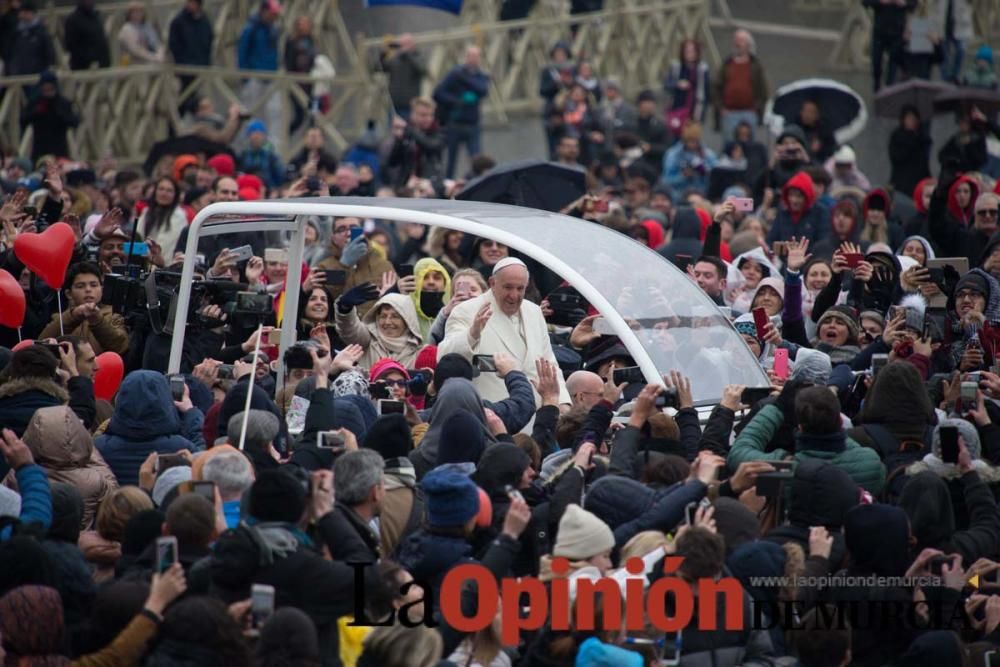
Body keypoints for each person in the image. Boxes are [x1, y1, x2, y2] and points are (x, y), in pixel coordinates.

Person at [437, 257, 570, 407]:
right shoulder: (466, 311)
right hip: (492, 413)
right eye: (508, 287)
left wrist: (562, 401)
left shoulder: (534, 311)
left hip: (536, 412)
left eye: (520, 288)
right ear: (492, 283)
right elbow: (445, 358)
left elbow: (549, 362)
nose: (514, 295)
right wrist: (472, 334)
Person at [95, 371, 204, 486]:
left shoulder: (100, 448)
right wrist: (190, 411)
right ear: (165, 400)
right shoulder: (179, 447)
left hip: (117, 502)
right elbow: (202, 457)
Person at [39, 262, 129, 356]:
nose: (88, 290)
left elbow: (121, 347)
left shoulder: (114, 316)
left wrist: (97, 320)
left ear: (102, 289)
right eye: (80, 286)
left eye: (94, 285)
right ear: (69, 294)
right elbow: (41, 343)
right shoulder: (61, 318)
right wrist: (73, 316)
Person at [433, 45, 490, 178]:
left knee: (476, 158)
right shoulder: (455, 73)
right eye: (471, 56)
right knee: (451, 160)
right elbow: (438, 93)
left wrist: (465, 79)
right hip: (455, 123)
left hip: (472, 123)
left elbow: (483, 90)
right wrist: (457, 101)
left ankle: (478, 182)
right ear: (466, 57)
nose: (474, 59)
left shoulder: (480, 75)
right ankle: (447, 185)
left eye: (476, 56)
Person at [334, 288, 426, 369]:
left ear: (407, 320)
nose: (388, 322)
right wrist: (345, 309)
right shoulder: (368, 339)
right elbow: (349, 330)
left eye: (395, 316)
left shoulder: (417, 351)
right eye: (383, 316)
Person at [711, 28, 769, 141]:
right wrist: (721, 108)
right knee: (729, 145)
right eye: (736, 40)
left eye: (741, 41)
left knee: (749, 145)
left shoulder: (756, 66)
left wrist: (757, 109)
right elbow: (716, 88)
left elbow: (763, 91)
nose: (737, 44)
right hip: (729, 113)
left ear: (748, 45)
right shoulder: (726, 65)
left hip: (749, 113)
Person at [21, 71, 80, 162]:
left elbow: (74, 122)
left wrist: (60, 114)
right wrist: (36, 112)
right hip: (40, 147)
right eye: (45, 90)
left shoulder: (63, 103)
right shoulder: (36, 102)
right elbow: (23, 120)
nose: (48, 92)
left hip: (59, 148)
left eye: (50, 89)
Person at [386, 97, 444, 188]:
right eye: (423, 115)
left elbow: (431, 145)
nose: (428, 119)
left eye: (431, 115)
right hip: (406, 184)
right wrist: (399, 140)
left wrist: (407, 129)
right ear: (413, 114)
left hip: (430, 183)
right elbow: (392, 162)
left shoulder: (437, 132)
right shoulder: (406, 133)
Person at [168, 0, 213, 114]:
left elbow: (209, 42)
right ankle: (175, 128)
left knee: (199, 100)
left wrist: (206, 63)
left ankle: (201, 124)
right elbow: (174, 45)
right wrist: (182, 63)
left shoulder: (205, 21)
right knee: (183, 100)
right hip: (184, 70)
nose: (191, 5)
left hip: (201, 68)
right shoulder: (178, 22)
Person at [864, 0, 916, 91]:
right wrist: (880, 2)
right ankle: (877, 85)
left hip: (898, 30)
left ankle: (889, 88)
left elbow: (913, 4)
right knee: (876, 61)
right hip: (880, 29)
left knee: (893, 62)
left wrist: (904, 3)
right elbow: (865, 2)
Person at [664, 38, 710, 132]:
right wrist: (677, 84)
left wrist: (701, 116)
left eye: (692, 51)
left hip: (694, 111)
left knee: (691, 137)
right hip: (676, 109)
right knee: (674, 135)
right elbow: (666, 84)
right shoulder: (676, 67)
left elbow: (706, 93)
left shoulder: (702, 69)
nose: (690, 53)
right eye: (687, 51)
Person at [137, 177, 187, 261]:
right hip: (143, 262)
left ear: (175, 195)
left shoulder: (179, 216)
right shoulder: (146, 212)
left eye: (169, 191)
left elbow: (168, 247)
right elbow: (138, 238)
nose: (164, 193)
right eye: (161, 189)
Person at [662, 120, 717, 194]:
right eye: (689, 141)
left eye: (695, 141)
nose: (693, 144)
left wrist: (705, 171)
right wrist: (682, 176)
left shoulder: (709, 154)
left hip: (702, 193)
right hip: (679, 194)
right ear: (684, 139)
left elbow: (716, 177)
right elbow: (667, 180)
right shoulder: (672, 155)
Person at [381, 33, 428, 118]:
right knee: (394, 129)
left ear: (412, 45)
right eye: (400, 44)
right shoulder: (395, 59)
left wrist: (408, 55)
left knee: (408, 129)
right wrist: (383, 53)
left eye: (404, 44)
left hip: (410, 106)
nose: (401, 47)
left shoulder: (418, 57)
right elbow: (381, 68)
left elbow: (423, 71)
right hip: (394, 106)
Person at [889, 104, 931, 199]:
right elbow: (896, 157)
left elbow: (923, 162)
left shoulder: (921, 137)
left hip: (919, 181)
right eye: (908, 118)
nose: (911, 122)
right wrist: (911, 141)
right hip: (902, 182)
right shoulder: (897, 136)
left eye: (913, 119)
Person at [4, 0, 56, 77]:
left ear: (32, 13)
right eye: (21, 12)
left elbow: (49, 53)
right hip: (19, 76)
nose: (22, 15)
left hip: (38, 75)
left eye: (25, 12)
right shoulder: (16, 32)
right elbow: (11, 52)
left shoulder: (41, 32)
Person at [284, 16, 317, 133]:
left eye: (306, 24)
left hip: (310, 85)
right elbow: (287, 61)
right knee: (299, 116)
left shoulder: (311, 40)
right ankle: (287, 134)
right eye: (301, 24)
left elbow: (314, 58)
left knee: (314, 113)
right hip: (297, 83)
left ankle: (311, 140)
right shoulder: (292, 41)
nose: (304, 27)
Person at [63, 0, 110, 71]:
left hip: (102, 66)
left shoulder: (96, 17)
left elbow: (102, 41)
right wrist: (90, 60)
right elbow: (70, 46)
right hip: (83, 69)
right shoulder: (72, 20)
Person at [238, 120, 284, 189]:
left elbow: (279, 177)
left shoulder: (271, 157)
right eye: (254, 133)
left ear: (264, 136)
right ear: (249, 136)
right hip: (247, 189)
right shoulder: (243, 155)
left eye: (259, 134)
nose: (257, 137)